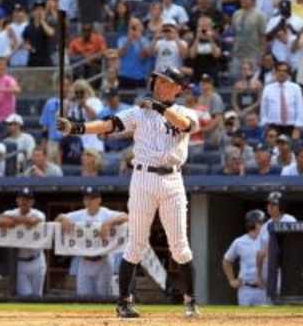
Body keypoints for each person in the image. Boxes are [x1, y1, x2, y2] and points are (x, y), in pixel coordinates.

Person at [57, 67, 200, 318]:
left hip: (173, 180)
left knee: (180, 247)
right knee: (136, 243)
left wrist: (158, 108)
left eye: (165, 82)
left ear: (178, 88)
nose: (158, 84)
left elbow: (185, 126)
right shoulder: (139, 112)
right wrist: (75, 128)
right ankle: (124, 303)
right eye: (157, 80)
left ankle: (190, 302)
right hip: (143, 178)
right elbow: (109, 124)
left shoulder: (183, 111)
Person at [55, 187, 128, 297]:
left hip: (103, 260)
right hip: (85, 261)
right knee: (83, 298)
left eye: (92, 198)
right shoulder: (80, 214)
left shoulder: (105, 213)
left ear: (99, 200)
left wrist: (109, 223)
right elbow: (58, 218)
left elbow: (125, 216)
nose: (89, 201)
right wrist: (62, 219)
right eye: (86, 198)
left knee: (104, 298)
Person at [0, 188, 47, 297]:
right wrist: (21, 220)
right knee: (25, 296)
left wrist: (12, 221)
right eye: (22, 199)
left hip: (37, 259)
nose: (24, 202)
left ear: (32, 202)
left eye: (28, 199)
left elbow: (32, 221)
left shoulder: (38, 213)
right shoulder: (11, 212)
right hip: (20, 261)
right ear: (17, 200)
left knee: (37, 296)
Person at [223, 209, 267, 306]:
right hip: (246, 289)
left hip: (264, 289)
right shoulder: (239, 242)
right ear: (254, 224)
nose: (264, 225)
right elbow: (227, 260)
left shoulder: (268, 240)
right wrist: (231, 280)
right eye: (261, 223)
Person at [256, 192, 297, 293]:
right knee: (271, 302)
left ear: (281, 206)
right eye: (269, 204)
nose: (270, 206)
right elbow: (260, 253)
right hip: (270, 268)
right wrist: (259, 275)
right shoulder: (265, 226)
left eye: (274, 204)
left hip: (287, 267)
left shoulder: (289, 220)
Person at [260, 62, 303, 139]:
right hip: (273, 127)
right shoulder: (268, 88)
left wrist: (297, 128)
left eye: (284, 71)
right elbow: (263, 110)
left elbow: (300, 109)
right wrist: (266, 127)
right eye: (279, 70)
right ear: (275, 72)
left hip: (291, 126)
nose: (282, 73)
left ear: (288, 73)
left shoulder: (295, 88)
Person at [231, 0, 266, 77]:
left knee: (252, 80)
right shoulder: (236, 14)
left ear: (252, 0)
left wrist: (261, 55)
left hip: (253, 53)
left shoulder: (259, 15)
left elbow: (263, 37)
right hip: (237, 53)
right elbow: (234, 33)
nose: (243, 0)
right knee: (236, 79)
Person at [117, 17, 150, 89]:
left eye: (136, 25)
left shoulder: (145, 41)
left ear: (141, 27)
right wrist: (129, 41)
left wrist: (139, 39)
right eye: (132, 26)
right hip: (124, 76)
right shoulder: (122, 40)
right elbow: (120, 54)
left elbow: (145, 56)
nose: (134, 28)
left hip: (140, 77)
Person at [188, 15, 222, 83]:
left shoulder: (216, 40)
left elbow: (216, 55)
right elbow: (192, 55)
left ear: (210, 27)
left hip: (212, 71)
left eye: (206, 26)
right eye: (201, 26)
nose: (204, 28)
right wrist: (197, 38)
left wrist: (210, 39)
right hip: (197, 71)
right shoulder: (193, 40)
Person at [23, 0, 55, 67]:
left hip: (46, 60)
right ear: (33, 12)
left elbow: (50, 33)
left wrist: (42, 21)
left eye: (41, 9)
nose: (39, 12)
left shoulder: (49, 23)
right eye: (37, 10)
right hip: (32, 60)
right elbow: (25, 41)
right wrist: (27, 46)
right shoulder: (28, 27)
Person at [99, 87, 132, 152]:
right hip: (109, 149)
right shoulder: (102, 113)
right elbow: (99, 134)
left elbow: (134, 131)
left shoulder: (129, 110)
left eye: (111, 97)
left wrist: (117, 135)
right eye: (107, 98)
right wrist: (103, 136)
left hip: (127, 149)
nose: (109, 100)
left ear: (117, 97)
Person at [199, 73, 226, 147]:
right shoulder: (200, 98)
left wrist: (203, 129)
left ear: (211, 84)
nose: (204, 85)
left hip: (215, 133)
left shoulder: (215, 97)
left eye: (207, 82)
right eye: (203, 82)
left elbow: (217, 119)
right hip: (204, 133)